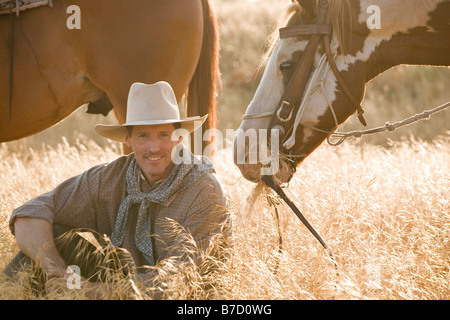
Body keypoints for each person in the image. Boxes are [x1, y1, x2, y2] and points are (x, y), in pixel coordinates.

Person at [3, 81, 231, 298]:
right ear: (128, 139)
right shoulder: (113, 176)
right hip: (116, 285)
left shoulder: (205, 190)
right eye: (143, 136)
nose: (154, 147)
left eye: (163, 135)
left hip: (186, 299)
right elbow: (29, 214)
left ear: (179, 137)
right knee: (55, 239)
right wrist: (57, 271)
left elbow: (176, 284)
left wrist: (89, 292)